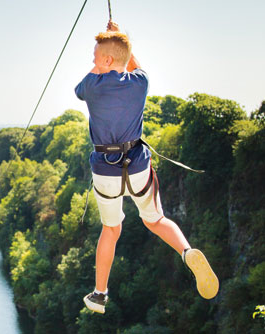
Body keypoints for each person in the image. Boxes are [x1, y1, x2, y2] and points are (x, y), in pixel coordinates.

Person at [74, 22, 219, 314]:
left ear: (106, 60)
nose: (92, 61)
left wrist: (104, 58)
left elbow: (80, 88)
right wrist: (120, 44)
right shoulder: (140, 82)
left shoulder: (91, 86)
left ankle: (100, 294)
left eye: (95, 56)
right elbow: (130, 62)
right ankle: (187, 251)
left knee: (111, 229)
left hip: (106, 170)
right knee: (155, 220)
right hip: (137, 165)